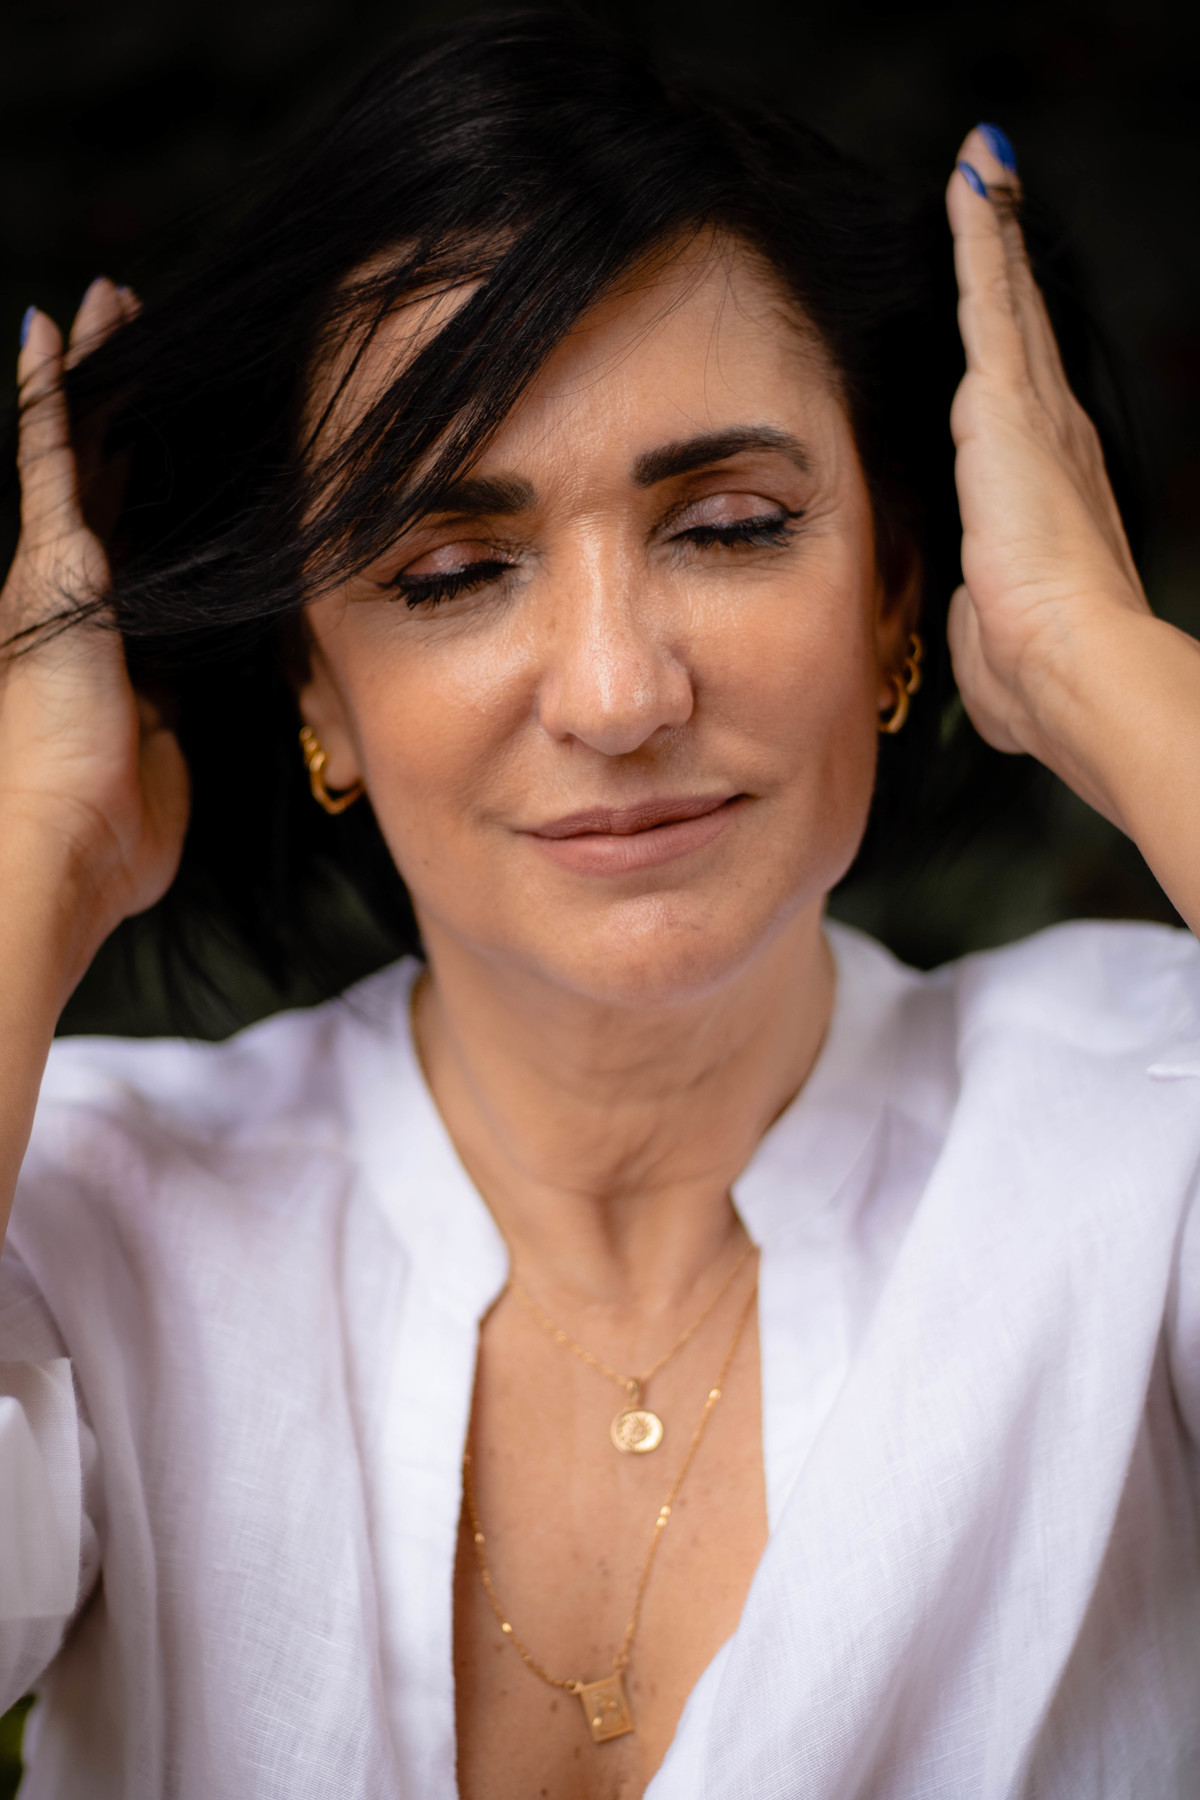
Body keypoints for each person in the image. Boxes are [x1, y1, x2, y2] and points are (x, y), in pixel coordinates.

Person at [0, 13, 1198, 1798]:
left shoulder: (1143, 1137)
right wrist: (34, 847)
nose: (619, 693)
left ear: (895, 590)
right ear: (314, 684)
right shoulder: (85, 1211)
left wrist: (1097, 658)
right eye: (453, 568)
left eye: (728, 525)